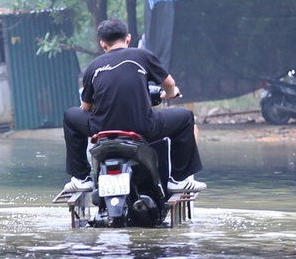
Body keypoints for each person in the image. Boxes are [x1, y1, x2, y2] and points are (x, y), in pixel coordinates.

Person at [62, 17, 204, 193]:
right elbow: (169, 83)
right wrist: (169, 93)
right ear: (128, 38)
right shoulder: (142, 55)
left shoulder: (93, 66)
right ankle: (179, 180)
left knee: (70, 116)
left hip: (101, 128)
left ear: (103, 44)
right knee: (185, 117)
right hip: (143, 127)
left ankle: (81, 178)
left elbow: (85, 108)